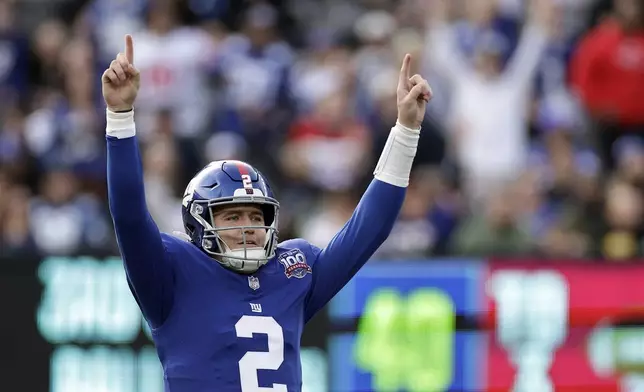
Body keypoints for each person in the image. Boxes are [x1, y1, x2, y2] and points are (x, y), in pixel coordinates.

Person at [103, 34, 432, 392]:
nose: (248, 227)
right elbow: (130, 216)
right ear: (198, 224)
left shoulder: (292, 271)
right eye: (232, 217)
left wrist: (406, 131)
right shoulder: (173, 272)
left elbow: (368, 229)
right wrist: (120, 116)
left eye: (256, 216)